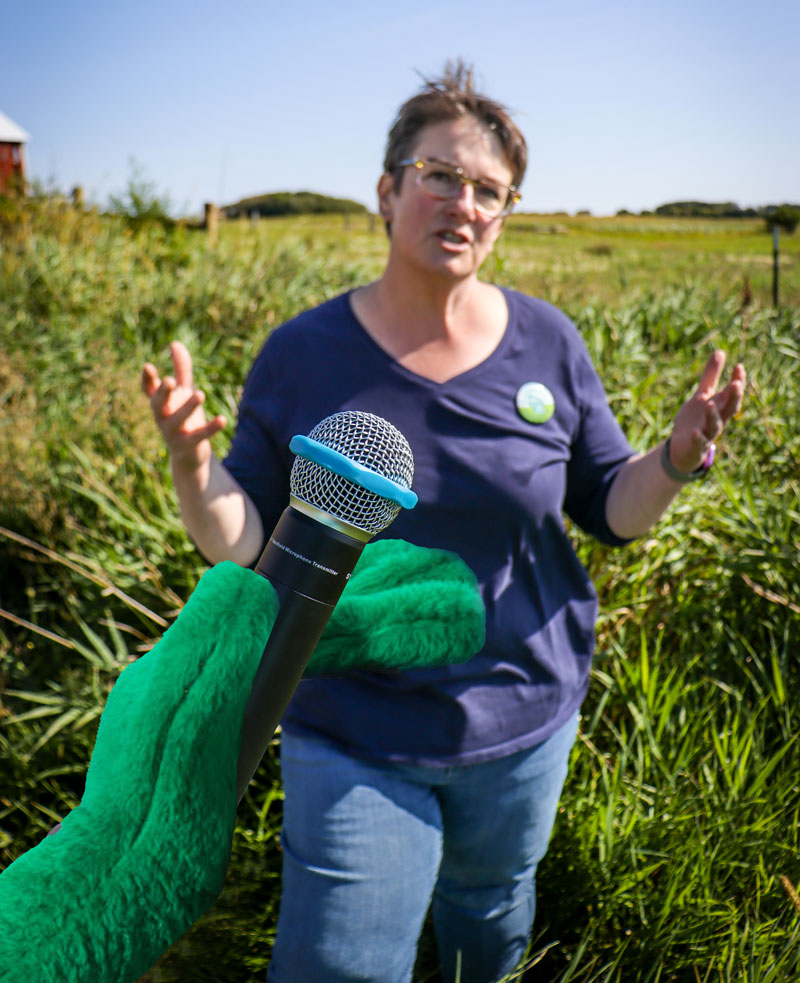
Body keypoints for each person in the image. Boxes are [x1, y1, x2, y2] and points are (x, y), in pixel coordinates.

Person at [142, 63, 745, 983]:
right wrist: (195, 467)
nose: (464, 202)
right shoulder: (304, 354)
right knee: (341, 963)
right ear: (387, 190)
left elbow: (608, 510)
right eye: (440, 175)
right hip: (351, 724)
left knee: (491, 910)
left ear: (504, 214)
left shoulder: (549, 341)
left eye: (490, 190)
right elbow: (252, 542)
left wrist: (671, 460)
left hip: (523, 719)